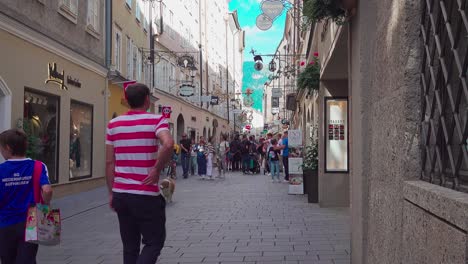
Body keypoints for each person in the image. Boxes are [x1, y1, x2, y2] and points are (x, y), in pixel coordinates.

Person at [106, 83, 174, 264]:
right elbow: (168, 144)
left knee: (130, 247)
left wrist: (111, 193)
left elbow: (109, 162)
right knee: (154, 242)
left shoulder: (113, 124)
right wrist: (156, 169)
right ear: (147, 100)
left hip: (121, 193)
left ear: (126, 101)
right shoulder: (156, 120)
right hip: (145, 194)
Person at [0, 129, 53, 264]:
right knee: (27, 259)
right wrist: (46, 207)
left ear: (8, 148)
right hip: (32, 221)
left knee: (8, 259)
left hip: (5, 221)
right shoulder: (38, 166)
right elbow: (47, 190)